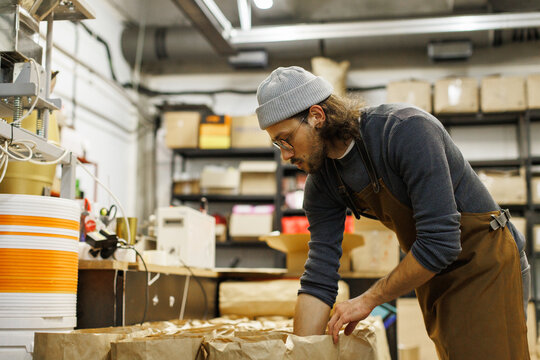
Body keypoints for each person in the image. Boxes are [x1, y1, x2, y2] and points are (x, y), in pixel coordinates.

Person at [255, 66, 530, 359]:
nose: (285, 154)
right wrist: (301, 352)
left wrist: (369, 299)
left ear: (316, 117)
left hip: (485, 264)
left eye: (285, 139)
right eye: (276, 144)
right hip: (434, 273)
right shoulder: (322, 182)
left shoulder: (404, 131)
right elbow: (319, 275)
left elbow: (441, 241)